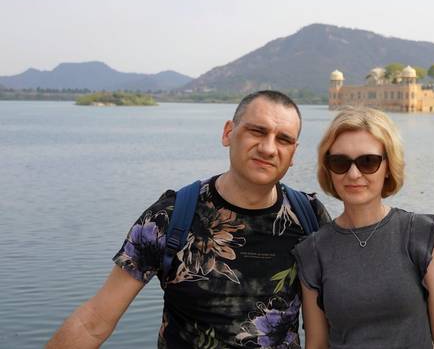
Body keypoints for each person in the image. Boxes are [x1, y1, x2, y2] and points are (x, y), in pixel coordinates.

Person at [48, 90, 331, 349]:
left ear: (293, 153)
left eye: (283, 139)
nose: (269, 148)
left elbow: (335, 317)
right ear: (228, 133)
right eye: (257, 131)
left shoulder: (308, 217)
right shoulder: (170, 218)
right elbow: (93, 322)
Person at [292, 106, 434, 349]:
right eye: (340, 162)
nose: (353, 174)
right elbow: (317, 344)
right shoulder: (313, 250)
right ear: (328, 169)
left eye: (368, 162)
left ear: (388, 166)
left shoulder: (420, 235)